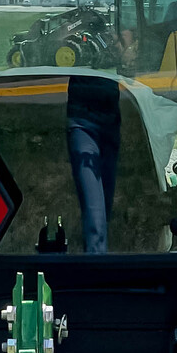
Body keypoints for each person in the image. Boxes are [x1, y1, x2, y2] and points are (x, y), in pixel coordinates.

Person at [63, 75, 121, 255]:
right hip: (83, 120)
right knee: (95, 215)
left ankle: (97, 260)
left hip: (111, 117)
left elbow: (131, 65)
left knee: (105, 211)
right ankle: (96, 263)